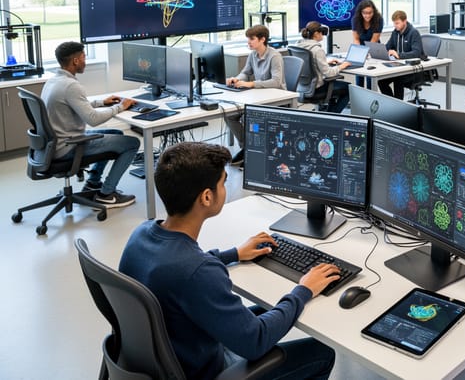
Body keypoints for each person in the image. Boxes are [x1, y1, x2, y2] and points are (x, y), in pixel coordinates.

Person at [119, 142, 337, 380]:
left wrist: (233, 253)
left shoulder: (141, 233)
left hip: (176, 352)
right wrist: (303, 290)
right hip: (206, 370)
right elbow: (255, 342)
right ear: (206, 196)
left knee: (270, 307)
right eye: (223, 182)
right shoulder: (198, 272)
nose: (226, 187)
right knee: (322, 353)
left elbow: (180, 269)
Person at [42, 41, 140, 208]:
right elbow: (93, 120)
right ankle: (107, 194)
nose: (85, 61)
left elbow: (75, 105)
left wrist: (102, 102)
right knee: (132, 143)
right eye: (84, 57)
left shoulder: (55, 80)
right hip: (69, 146)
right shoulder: (71, 86)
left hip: (56, 143)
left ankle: (93, 182)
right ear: (75, 61)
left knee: (117, 135)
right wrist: (120, 107)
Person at [223, 25, 285, 166]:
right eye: (248, 39)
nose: (249, 42)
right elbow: (246, 72)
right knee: (229, 115)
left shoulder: (274, 56)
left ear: (262, 39)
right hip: (259, 96)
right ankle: (247, 148)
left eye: (252, 39)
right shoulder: (253, 55)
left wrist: (251, 84)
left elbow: (276, 81)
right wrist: (237, 79)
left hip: (277, 98)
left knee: (248, 117)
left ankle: (252, 151)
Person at [298, 21, 352, 113]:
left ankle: (329, 113)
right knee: (349, 88)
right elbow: (328, 74)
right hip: (317, 88)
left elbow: (310, 63)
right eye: (321, 33)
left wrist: (325, 62)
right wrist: (342, 66)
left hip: (302, 87)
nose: (323, 35)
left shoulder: (299, 46)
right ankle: (332, 114)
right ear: (316, 34)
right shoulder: (317, 50)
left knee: (335, 87)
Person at [377, 10, 426, 100]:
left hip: (413, 70)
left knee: (398, 79)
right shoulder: (395, 33)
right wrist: (379, 51)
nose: (395, 26)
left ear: (405, 21)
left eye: (397, 23)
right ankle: (392, 104)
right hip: (399, 67)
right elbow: (388, 47)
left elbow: (416, 53)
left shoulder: (414, 33)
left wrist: (399, 55)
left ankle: (398, 106)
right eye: (394, 24)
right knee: (381, 81)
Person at [350, 0, 383, 88]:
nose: (367, 15)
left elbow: (374, 39)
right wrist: (359, 54)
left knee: (370, 74)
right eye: (365, 13)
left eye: (370, 13)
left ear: (374, 12)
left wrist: (367, 53)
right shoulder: (355, 20)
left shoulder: (378, 19)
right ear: (360, 12)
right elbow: (356, 39)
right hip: (360, 46)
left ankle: (370, 96)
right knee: (359, 72)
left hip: (373, 47)